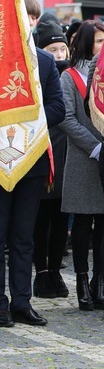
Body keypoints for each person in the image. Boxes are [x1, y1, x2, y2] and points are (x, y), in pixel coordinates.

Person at [1, 23, 65, 326]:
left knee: (24, 237)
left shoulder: (44, 60)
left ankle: (21, 303)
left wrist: (29, 126)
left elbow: (57, 107)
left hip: (31, 160)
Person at [59, 21, 104, 311]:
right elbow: (66, 118)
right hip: (82, 158)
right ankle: (81, 281)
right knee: (81, 224)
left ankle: (99, 282)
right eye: (99, 41)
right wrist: (94, 146)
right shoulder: (69, 76)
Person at [31, 21, 70, 300]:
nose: (58, 54)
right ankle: (42, 272)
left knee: (60, 219)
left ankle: (55, 270)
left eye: (62, 48)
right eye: (52, 49)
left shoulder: (70, 76)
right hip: (42, 153)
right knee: (39, 220)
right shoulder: (39, 72)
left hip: (67, 158)